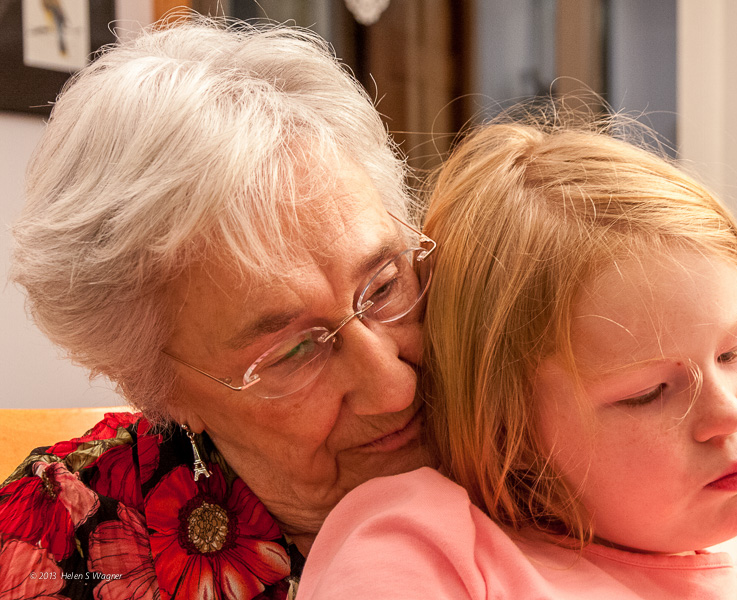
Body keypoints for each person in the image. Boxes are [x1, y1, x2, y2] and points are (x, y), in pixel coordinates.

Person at [295, 119, 737, 599]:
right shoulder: (422, 543)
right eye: (647, 392)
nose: (727, 413)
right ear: (514, 437)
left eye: (735, 349)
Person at [0, 16, 434, 600]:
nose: (395, 389)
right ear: (160, 386)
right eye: (294, 351)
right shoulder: (60, 543)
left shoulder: (547, 432)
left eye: (382, 288)